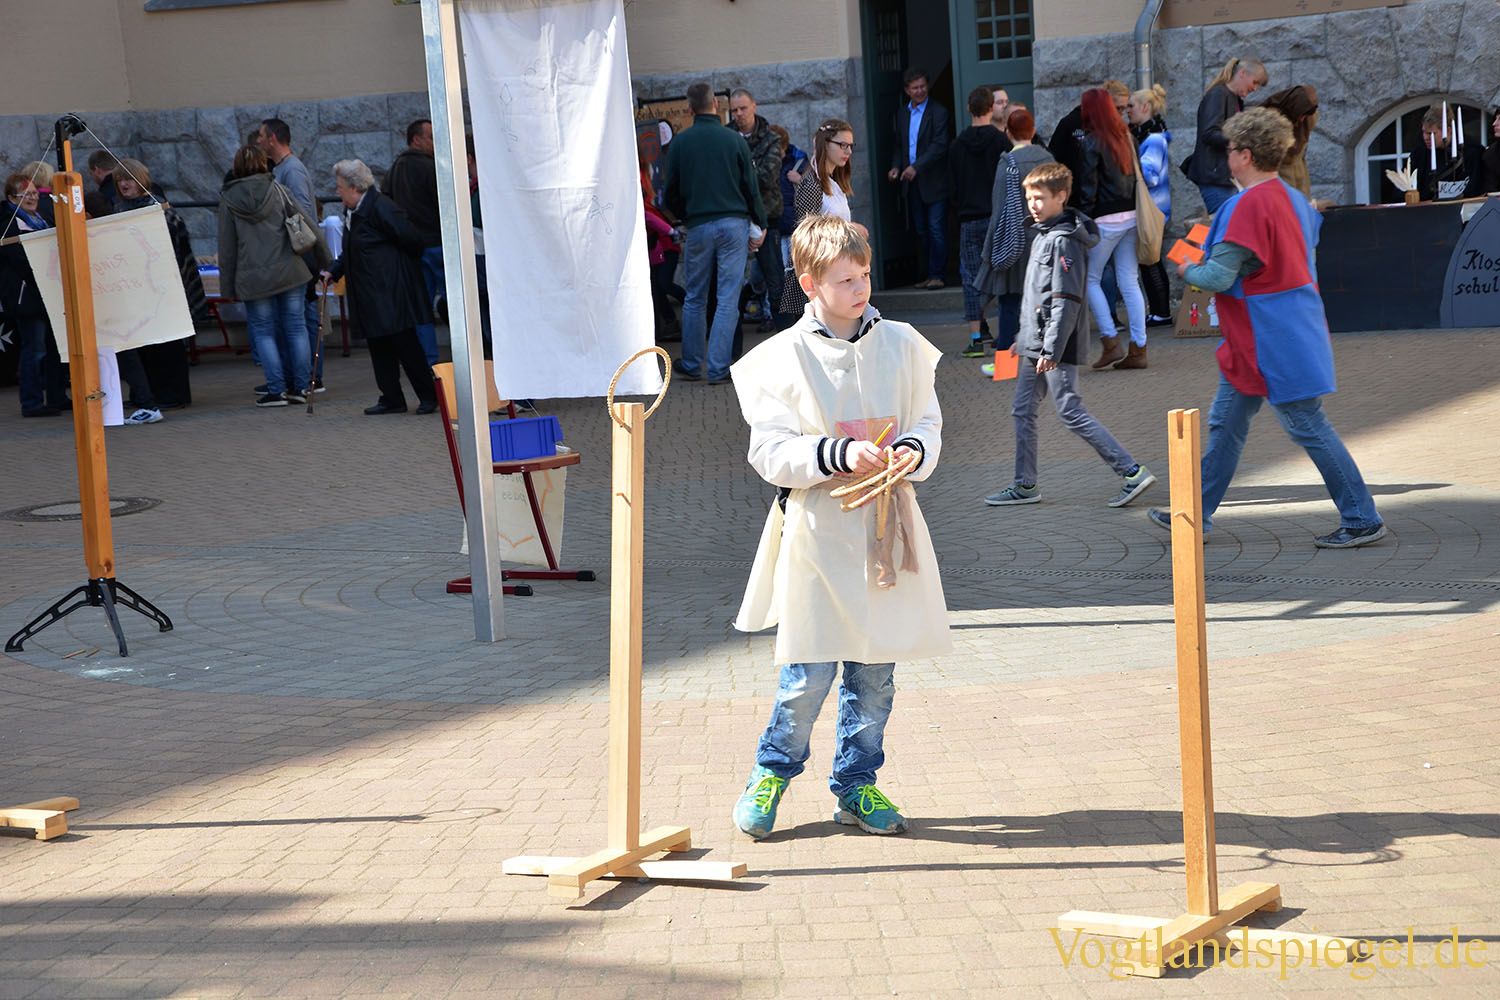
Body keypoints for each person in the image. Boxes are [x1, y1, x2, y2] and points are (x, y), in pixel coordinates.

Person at [728, 214, 950, 840]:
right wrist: (835, 454)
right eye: (846, 279)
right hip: (820, 532)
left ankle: (856, 784)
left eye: (865, 275)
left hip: (888, 529)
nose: (861, 289)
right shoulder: (780, 359)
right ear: (809, 283)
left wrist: (912, 448)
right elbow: (769, 451)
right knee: (808, 673)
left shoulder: (902, 343)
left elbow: (928, 422)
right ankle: (771, 771)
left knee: (875, 674)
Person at [1146, 109, 1385, 549]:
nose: (1227, 157)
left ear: (1246, 156)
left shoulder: (1245, 206)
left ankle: (1361, 516)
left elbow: (1216, 278)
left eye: (1231, 150)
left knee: (1305, 423)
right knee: (1228, 422)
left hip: (1268, 335)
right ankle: (1194, 512)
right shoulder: (1294, 198)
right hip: (1280, 328)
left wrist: (1185, 266)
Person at [983, 163, 1156, 510]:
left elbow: (1066, 300)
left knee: (1070, 410)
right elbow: (1038, 295)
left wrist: (1050, 347)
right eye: (1029, 197)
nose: (1033, 204)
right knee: (1022, 411)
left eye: (1040, 198)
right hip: (1037, 342)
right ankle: (1025, 484)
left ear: (1061, 196)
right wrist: (1023, 336)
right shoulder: (1043, 234)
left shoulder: (1063, 241)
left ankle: (1131, 471)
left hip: (1052, 345)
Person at [662, 82, 766, 385]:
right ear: (716, 106)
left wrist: (685, 214)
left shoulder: (681, 143)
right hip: (733, 223)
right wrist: (758, 219)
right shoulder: (733, 140)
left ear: (690, 108)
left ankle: (692, 362)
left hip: (698, 225)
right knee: (727, 297)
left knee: (694, 297)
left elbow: (669, 192)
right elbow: (751, 186)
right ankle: (719, 367)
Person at [324, 159, 438, 415]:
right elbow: (352, 249)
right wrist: (334, 270)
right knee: (379, 346)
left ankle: (428, 396)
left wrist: (395, 270)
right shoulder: (354, 210)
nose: (337, 191)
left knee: (406, 345)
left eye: (340, 186)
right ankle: (391, 398)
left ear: (355, 187)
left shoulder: (381, 207)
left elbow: (412, 240)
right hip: (371, 291)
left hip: (390, 290)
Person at [218, 144, 328, 407]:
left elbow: (227, 247)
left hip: (253, 279)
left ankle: (276, 390)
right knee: (296, 328)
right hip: (290, 271)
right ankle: (301, 388)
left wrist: (228, 289)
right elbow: (308, 224)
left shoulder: (228, 199)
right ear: (263, 163)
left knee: (264, 332)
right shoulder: (278, 189)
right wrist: (326, 260)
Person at [113, 158, 207, 420]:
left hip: (166, 288)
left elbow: (172, 253)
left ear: (142, 180)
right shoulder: (120, 210)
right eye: (120, 179)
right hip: (137, 289)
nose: (124, 184)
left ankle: (174, 395)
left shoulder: (159, 210)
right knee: (146, 344)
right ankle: (150, 393)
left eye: (129, 178)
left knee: (168, 343)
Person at [1075, 87, 1149, 371]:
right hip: (1131, 216)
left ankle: (1110, 341)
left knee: (1090, 279)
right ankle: (1139, 348)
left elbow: (1088, 188)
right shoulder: (1127, 137)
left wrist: (1083, 217)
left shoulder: (1092, 142)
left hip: (1104, 220)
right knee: (1129, 281)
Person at [974, 108, 1053, 360]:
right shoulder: (1048, 159)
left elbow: (999, 212)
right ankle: (1044, 361)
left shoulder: (1007, 163)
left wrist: (990, 250)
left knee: (1009, 305)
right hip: (1044, 240)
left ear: (1008, 133)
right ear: (1033, 131)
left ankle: (1005, 367)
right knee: (1043, 303)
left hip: (1014, 242)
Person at [258, 117, 326, 390]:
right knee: (299, 319)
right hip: (295, 254)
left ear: (273, 138)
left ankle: (311, 376)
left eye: (261, 136)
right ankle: (303, 375)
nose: (259, 141)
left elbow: (304, 213)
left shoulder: (292, 171)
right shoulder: (282, 169)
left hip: (299, 255)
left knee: (304, 318)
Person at [778, 118, 863, 317]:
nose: (848, 152)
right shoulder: (811, 183)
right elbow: (809, 238)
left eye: (850, 146)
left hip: (838, 275)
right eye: (842, 145)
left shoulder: (833, 183)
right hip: (819, 283)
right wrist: (849, 230)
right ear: (825, 143)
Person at [1, 173, 69, 417]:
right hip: (26, 295)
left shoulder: (39, 218)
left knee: (53, 347)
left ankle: (57, 397)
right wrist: (43, 274)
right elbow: (18, 259)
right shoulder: (8, 222)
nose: (31, 198)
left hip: (46, 290)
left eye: (33, 193)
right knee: (34, 349)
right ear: (11, 198)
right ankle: (31, 403)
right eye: (24, 194)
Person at [950, 86, 1010, 357]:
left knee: (971, 279)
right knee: (1003, 276)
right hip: (996, 218)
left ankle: (976, 337)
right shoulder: (1001, 142)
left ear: (968, 109)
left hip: (968, 220)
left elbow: (952, 186)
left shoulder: (957, 144)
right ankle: (1006, 333)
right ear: (991, 108)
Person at [887, 67, 952, 288]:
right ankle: (926, 274)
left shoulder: (939, 112)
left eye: (923, 86)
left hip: (934, 181)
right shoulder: (901, 113)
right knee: (921, 230)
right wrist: (896, 167)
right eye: (914, 88)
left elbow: (939, 146)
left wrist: (917, 167)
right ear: (907, 90)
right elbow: (899, 145)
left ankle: (939, 275)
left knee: (935, 228)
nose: (919, 91)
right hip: (911, 183)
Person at [729, 88, 786, 329]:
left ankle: (788, 333)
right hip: (734, 216)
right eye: (734, 110)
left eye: (743, 108)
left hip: (767, 218)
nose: (739, 114)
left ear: (754, 106)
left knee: (776, 283)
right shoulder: (726, 136)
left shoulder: (770, 138)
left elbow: (766, 177)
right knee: (730, 285)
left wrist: (737, 174)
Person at [387, 118, 442, 365]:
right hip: (439, 245)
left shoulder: (395, 169)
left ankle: (429, 363)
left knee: (421, 309)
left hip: (412, 248)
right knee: (460, 305)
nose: (435, 142)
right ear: (416, 139)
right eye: (431, 137)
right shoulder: (433, 168)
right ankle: (474, 355)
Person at [1186, 57, 1267, 214]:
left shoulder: (1233, 98)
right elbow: (1209, 133)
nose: (1255, 88)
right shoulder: (1218, 94)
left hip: (1224, 178)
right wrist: (1239, 141)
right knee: (1226, 229)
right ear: (1243, 73)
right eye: (1255, 82)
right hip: (1215, 179)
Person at [1129, 84, 1175, 326]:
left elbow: (1151, 176)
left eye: (1131, 106)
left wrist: (1131, 165)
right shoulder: (1152, 135)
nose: (1128, 110)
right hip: (1156, 207)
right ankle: (1160, 310)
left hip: (1153, 208)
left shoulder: (1153, 139)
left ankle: (1161, 312)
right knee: (1151, 260)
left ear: (1145, 107)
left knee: (1150, 261)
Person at [1049, 80, 1129, 208]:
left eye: (1124, 109)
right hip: (1077, 198)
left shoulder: (1121, 132)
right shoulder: (1071, 123)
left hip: (1109, 203)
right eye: (1117, 108)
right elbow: (1053, 157)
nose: (1120, 114)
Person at [770, 123, 808, 328]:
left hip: (794, 227)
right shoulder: (769, 161)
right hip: (776, 226)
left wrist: (799, 179)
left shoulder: (799, 161)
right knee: (776, 276)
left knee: (793, 273)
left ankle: (798, 316)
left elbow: (813, 188)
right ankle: (775, 315)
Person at [1259, 84, 1319, 198]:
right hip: (1279, 175)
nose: (1302, 119)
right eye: (1301, 114)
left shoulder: (1308, 119)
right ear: (1294, 107)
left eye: (1305, 116)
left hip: (1300, 174)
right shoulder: (1272, 119)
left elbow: (1301, 150)